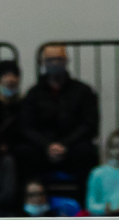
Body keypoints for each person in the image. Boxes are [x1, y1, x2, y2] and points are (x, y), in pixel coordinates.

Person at [20, 45, 99, 181]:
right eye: (50, 60)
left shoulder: (83, 91)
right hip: (42, 147)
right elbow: (26, 127)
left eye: (59, 59)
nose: (55, 63)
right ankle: (32, 193)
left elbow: (90, 124)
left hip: (74, 145)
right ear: (43, 63)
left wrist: (65, 144)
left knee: (86, 152)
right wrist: (47, 145)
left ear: (66, 61)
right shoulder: (34, 93)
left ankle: (84, 194)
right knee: (23, 152)